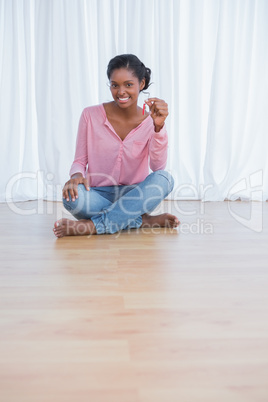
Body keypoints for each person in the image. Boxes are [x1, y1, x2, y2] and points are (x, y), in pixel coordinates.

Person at [53, 54, 179, 238]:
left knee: (164, 179)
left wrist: (158, 127)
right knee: (71, 198)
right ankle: (142, 221)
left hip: (136, 195)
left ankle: (93, 226)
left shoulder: (151, 120)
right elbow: (80, 160)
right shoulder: (90, 115)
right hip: (97, 193)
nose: (121, 91)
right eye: (115, 85)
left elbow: (157, 167)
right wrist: (76, 176)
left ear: (141, 84)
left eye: (128, 84)